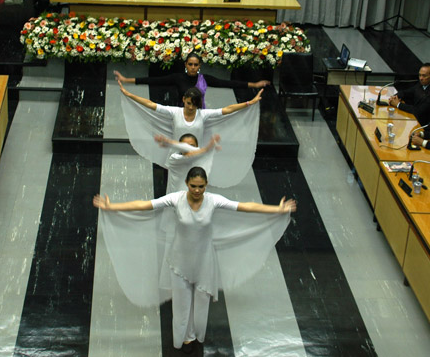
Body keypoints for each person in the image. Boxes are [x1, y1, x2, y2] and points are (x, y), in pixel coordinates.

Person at [93, 166, 296, 352]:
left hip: (204, 262)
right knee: (181, 306)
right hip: (179, 262)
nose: (197, 190)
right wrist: (114, 207)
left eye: (201, 186)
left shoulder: (214, 200)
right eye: (193, 186)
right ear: (186, 184)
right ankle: (186, 338)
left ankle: (198, 334)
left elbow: (244, 206)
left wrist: (277, 209)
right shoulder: (176, 199)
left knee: (201, 305)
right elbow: (146, 205)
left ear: (206, 185)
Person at [119, 82, 262, 189]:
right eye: (188, 103)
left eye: (194, 104)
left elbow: (227, 109)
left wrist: (249, 103)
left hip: (196, 157)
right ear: (183, 100)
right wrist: (129, 95)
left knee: (196, 188)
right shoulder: (174, 112)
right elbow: (151, 105)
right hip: (177, 157)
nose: (191, 107)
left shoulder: (203, 115)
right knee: (175, 190)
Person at [114, 52, 270, 108]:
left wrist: (254, 84)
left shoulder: (205, 79)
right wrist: (126, 80)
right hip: (181, 113)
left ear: (199, 66)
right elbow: (153, 81)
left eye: (196, 65)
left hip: (200, 114)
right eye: (190, 64)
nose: (193, 67)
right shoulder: (177, 78)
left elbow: (228, 83)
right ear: (186, 65)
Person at [155, 133, 221, 193]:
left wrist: (209, 148)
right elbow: (189, 154)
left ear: (197, 146)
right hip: (175, 201)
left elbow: (192, 152)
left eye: (192, 146)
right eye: (184, 146)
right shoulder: (174, 158)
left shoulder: (202, 156)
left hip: (197, 199)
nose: (188, 149)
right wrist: (207, 148)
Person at [388, 63, 430, 127]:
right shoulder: (422, 84)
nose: (421, 78)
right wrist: (395, 97)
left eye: (424, 76)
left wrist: (398, 104)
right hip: (416, 118)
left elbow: (418, 111)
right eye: (420, 75)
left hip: (426, 125)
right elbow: (407, 92)